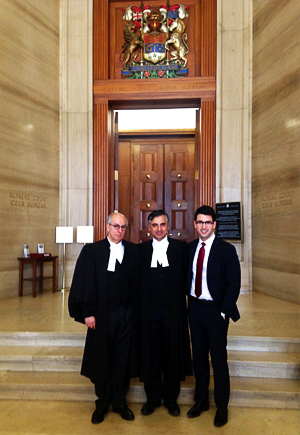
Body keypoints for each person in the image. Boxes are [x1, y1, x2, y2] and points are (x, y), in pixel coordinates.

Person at [68, 212, 139, 424]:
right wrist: (88, 312)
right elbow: (84, 281)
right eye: (115, 226)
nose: (119, 230)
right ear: (107, 226)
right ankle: (102, 403)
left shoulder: (133, 251)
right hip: (100, 315)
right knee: (102, 357)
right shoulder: (92, 251)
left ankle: (120, 401)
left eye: (123, 227)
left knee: (122, 357)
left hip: (126, 313)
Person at [187, 205, 241, 428]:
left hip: (216, 312)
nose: (204, 226)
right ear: (195, 225)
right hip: (195, 309)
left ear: (214, 224)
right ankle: (201, 401)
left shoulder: (226, 250)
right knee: (198, 358)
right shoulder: (189, 248)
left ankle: (221, 406)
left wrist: (222, 312)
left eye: (208, 222)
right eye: (200, 222)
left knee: (218, 360)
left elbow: (233, 284)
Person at [139, 210, 192, 417]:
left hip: (174, 312)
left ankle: (171, 399)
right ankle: (152, 398)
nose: (159, 229)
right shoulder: (141, 250)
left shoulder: (181, 249)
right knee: (151, 354)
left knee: (172, 354)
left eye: (162, 225)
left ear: (168, 227)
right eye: (155, 225)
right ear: (149, 228)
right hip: (149, 312)